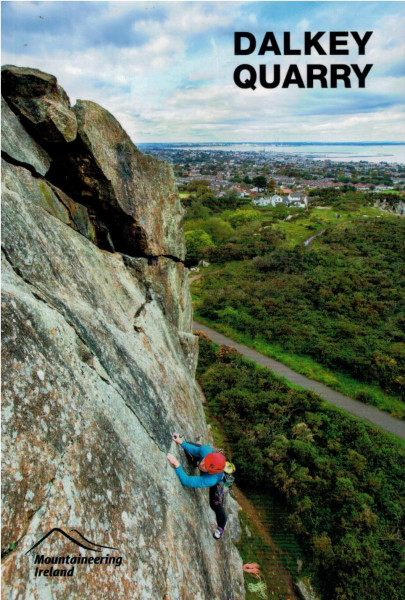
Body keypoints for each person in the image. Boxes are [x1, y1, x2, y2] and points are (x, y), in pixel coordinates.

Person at [167, 433, 228, 540]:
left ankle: (221, 526)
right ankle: (194, 460)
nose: (201, 465)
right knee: (191, 447)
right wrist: (181, 442)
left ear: (210, 471)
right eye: (204, 461)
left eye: (205, 466)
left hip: (218, 480)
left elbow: (186, 481)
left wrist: (176, 464)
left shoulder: (210, 479)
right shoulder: (206, 451)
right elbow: (195, 450)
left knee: (216, 505)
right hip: (210, 458)